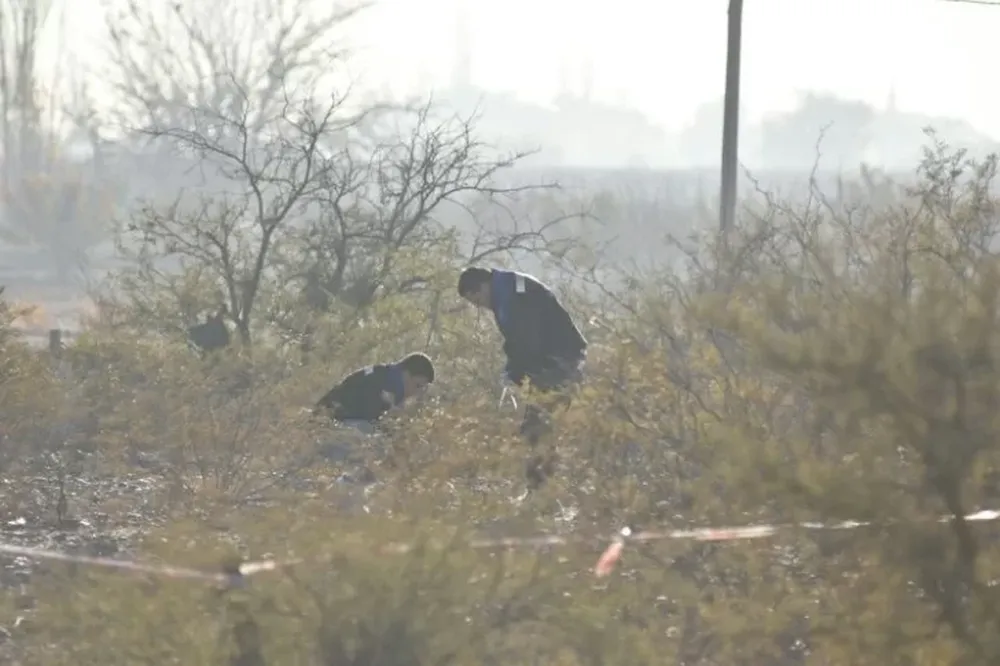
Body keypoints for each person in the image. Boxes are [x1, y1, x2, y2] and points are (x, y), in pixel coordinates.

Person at [457, 267, 587, 487]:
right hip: (551, 363)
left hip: (559, 363)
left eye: (477, 300)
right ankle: (545, 486)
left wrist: (515, 373)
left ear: (482, 286)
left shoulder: (513, 295)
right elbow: (519, 343)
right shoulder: (507, 289)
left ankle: (541, 489)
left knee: (536, 428)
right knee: (539, 426)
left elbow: (528, 342)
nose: (481, 306)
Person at [314, 352, 436, 429]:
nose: (415, 393)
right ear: (406, 374)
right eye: (417, 386)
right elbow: (375, 422)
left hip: (332, 420)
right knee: (373, 438)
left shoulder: (386, 374)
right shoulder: (388, 387)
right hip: (328, 424)